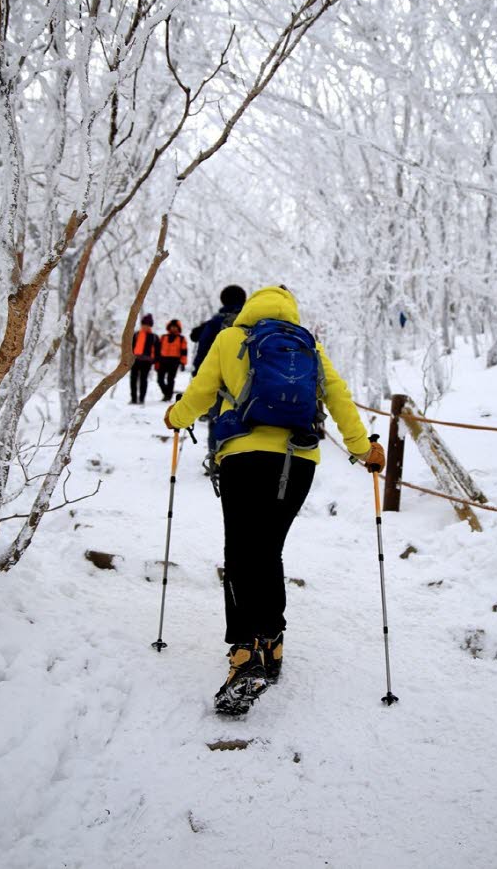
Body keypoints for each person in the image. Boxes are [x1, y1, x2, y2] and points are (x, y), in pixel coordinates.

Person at [164, 285, 385, 715]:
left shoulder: (231, 338)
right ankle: (273, 643)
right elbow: (338, 398)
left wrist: (176, 417)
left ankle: (245, 652)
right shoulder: (308, 346)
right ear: (291, 310)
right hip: (299, 461)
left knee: (241, 550)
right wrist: (363, 450)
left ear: (250, 308)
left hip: (244, 460)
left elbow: (201, 392)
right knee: (268, 548)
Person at [191, 285, 247, 457]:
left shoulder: (215, 322)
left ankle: (215, 460)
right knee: (246, 418)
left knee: (216, 420)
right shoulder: (252, 322)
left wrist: (197, 376)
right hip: (245, 380)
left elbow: (202, 350)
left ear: (222, 300)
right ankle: (240, 456)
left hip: (217, 381)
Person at [156, 319, 188, 402]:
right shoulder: (163, 337)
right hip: (163, 360)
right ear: (169, 327)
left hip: (174, 361)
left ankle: (168, 396)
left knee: (170, 379)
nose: (173, 328)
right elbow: (157, 350)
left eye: (175, 327)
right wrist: (156, 361)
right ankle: (167, 393)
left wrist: (183, 363)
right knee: (160, 380)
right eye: (172, 327)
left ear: (178, 328)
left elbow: (184, 352)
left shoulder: (181, 339)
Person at [130, 314, 159, 405]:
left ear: (150, 326)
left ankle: (142, 398)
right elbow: (131, 346)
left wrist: (155, 361)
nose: (145, 326)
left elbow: (158, 350)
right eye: (144, 324)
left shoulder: (154, 337)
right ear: (142, 325)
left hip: (147, 362)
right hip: (135, 360)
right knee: (133, 379)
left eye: (148, 325)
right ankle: (134, 398)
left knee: (143, 380)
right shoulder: (136, 335)